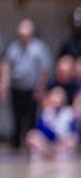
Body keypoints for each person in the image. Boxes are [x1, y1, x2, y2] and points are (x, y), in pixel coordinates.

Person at [1, 19, 53, 150]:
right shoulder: (13, 47)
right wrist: (4, 84)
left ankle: (31, 145)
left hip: (32, 88)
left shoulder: (39, 48)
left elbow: (44, 69)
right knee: (16, 116)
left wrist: (40, 87)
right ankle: (16, 145)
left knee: (31, 117)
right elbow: (7, 66)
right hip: (16, 88)